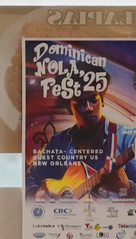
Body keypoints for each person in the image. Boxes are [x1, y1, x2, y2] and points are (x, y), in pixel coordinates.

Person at [26, 68, 136, 201]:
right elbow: (29, 177)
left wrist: (129, 190)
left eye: (93, 99)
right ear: (69, 108)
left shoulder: (128, 137)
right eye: (80, 103)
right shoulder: (58, 141)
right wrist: (35, 194)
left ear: (102, 100)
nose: (88, 108)